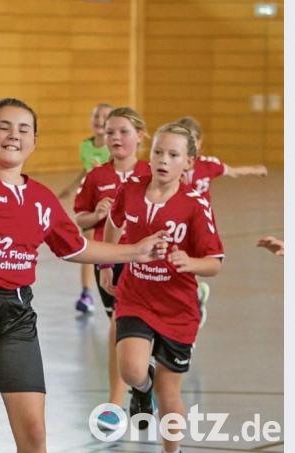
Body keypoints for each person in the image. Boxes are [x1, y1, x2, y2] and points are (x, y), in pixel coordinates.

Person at [0, 90, 169, 453]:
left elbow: (76, 247)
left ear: (34, 142)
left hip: (16, 314)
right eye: (4, 127)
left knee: (34, 434)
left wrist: (134, 251)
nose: (13, 135)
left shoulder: (41, 198)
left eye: (23, 129)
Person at [103, 123, 224, 453]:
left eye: (173, 154)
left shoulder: (195, 204)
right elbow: (113, 224)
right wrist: (107, 263)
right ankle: (141, 388)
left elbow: (214, 261)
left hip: (176, 306)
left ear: (188, 162)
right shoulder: (131, 188)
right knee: (131, 370)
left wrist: (191, 263)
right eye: (158, 152)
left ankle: (173, 449)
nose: (164, 160)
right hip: (136, 294)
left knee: (169, 396)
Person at [73, 107, 152, 430]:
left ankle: (136, 392)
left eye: (123, 131)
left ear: (140, 136)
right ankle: (121, 399)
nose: (115, 137)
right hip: (110, 262)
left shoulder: (153, 172)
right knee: (119, 331)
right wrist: (96, 215)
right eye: (110, 132)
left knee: (140, 331)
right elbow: (77, 219)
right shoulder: (96, 176)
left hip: (149, 263)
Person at [174, 115, 267, 327]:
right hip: (177, 219)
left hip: (200, 221)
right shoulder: (172, 164)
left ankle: (194, 295)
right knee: (179, 259)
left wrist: (255, 169)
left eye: (193, 140)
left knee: (197, 260)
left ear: (200, 143)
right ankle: (193, 295)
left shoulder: (209, 165)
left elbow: (232, 172)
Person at [59, 103, 114, 314]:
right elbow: (86, 171)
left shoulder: (113, 148)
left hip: (111, 204)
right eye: (96, 116)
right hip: (92, 203)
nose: (99, 119)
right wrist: (71, 188)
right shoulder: (85, 146)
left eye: (104, 116)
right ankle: (86, 293)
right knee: (88, 247)